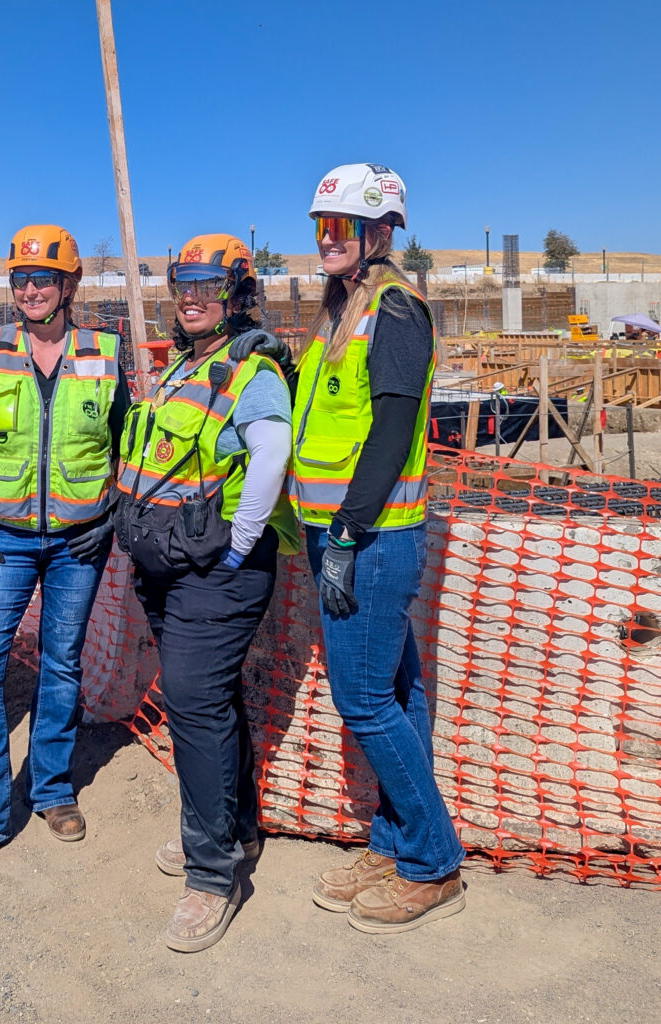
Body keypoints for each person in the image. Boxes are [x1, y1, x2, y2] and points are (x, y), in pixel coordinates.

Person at [290, 163, 465, 931]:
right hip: (344, 537)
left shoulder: (393, 310)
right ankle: (395, 841)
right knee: (397, 695)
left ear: (381, 233)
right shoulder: (338, 311)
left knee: (363, 702)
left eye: (342, 227)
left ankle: (433, 862)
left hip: (371, 540)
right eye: (320, 226)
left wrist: (347, 535)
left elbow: (392, 432)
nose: (327, 239)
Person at [113, 234, 299, 952]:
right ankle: (235, 830)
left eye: (208, 285)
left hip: (217, 568)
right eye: (182, 284)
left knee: (192, 704)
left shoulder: (250, 367)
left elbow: (271, 455)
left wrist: (242, 544)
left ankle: (212, 875)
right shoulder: (184, 366)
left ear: (237, 294)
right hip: (171, 562)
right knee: (208, 703)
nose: (191, 296)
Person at [0, 224, 131, 871]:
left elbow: (130, 441)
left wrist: (116, 507)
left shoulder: (105, 351)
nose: (31, 289)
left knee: (62, 663)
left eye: (44, 278)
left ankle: (52, 790)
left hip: (79, 542)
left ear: (69, 284)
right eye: (21, 278)